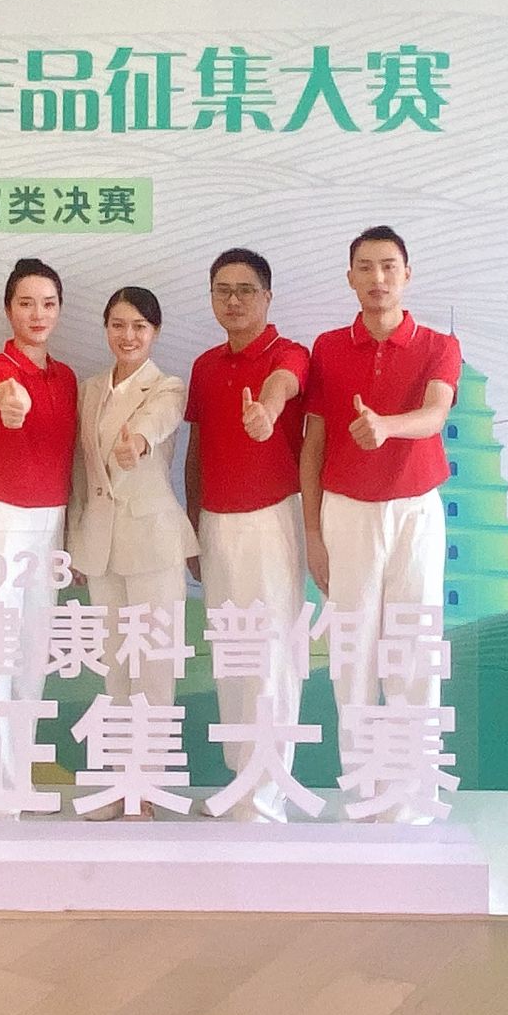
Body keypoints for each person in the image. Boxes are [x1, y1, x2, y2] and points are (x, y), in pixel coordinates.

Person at [300, 225, 461, 815]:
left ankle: (412, 798)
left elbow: (436, 413)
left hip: (415, 511)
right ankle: (366, 794)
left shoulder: (439, 345)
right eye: (365, 267)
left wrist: (387, 426)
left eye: (389, 266)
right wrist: (312, 532)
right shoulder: (327, 348)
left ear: (407, 274)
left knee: (414, 650)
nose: (378, 278)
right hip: (345, 512)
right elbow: (314, 443)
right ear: (350, 278)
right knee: (352, 655)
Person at [184, 248, 311, 821]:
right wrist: (194, 523)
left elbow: (284, 385)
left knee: (271, 656)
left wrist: (267, 407)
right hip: (216, 523)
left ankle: (267, 795)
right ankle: (242, 782)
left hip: (271, 519)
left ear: (267, 297)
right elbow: (196, 452)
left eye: (245, 290)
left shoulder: (289, 354)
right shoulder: (206, 366)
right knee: (232, 655)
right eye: (222, 290)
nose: (233, 301)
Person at [0, 257, 80, 817]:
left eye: (48, 304)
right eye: (26, 303)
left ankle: (18, 777)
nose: (38, 314)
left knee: (32, 654)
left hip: (47, 521)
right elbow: (7, 398)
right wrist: (14, 404)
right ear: (8, 310)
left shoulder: (67, 378)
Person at [69, 287, 200, 744]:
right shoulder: (89, 390)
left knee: (153, 667)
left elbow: (156, 422)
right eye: (118, 325)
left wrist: (137, 443)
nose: (128, 336)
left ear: (155, 331)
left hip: (152, 544)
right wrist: (75, 544)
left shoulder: (168, 387)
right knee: (115, 666)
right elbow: (81, 472)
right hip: (100, 545)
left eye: (139, 326)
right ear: (106, 329)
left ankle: (148, 775)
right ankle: (121, 771)